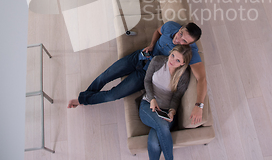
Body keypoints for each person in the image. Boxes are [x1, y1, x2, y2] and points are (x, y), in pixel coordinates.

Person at [68, 21, 207, 125]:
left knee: (113, 94)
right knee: (105, 75)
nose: (178, 39)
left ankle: (82, 100)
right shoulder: (171, 26)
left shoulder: (190, 53)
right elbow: (158, 31)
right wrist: (152, 45)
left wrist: (199, 105)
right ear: (181, 28)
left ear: (189, 44)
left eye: (184, 41)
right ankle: (86, 95)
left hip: (147, 73)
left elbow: (201, 78)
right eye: (181, 33)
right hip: (140, 56)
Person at [139, 45, 192, 160]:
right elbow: (147, 81)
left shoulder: (183, 75)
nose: (172, 60)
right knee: (161, 126)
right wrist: (152, 99)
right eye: (173, 56)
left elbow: (176, 97)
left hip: (166, 112)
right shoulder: (157, 61)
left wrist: (173, 111)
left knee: (156, 141)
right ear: (171, 52)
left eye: (178, 60)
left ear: (183, 63)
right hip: (147, 105)